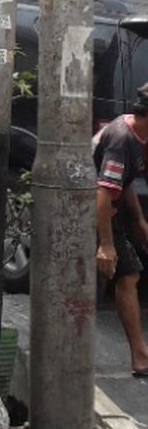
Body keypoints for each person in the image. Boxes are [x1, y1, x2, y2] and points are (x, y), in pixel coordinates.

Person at [94, 83, 148, 377]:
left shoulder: (138, 135)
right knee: (123, 275)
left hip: (105, 211)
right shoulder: (122, 138)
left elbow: (122, 184)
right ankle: (140, 357)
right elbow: (103, 191)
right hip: (86, 212)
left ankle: (141, 357)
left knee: (127, 275)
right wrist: (105, 244)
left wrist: (138, 220)